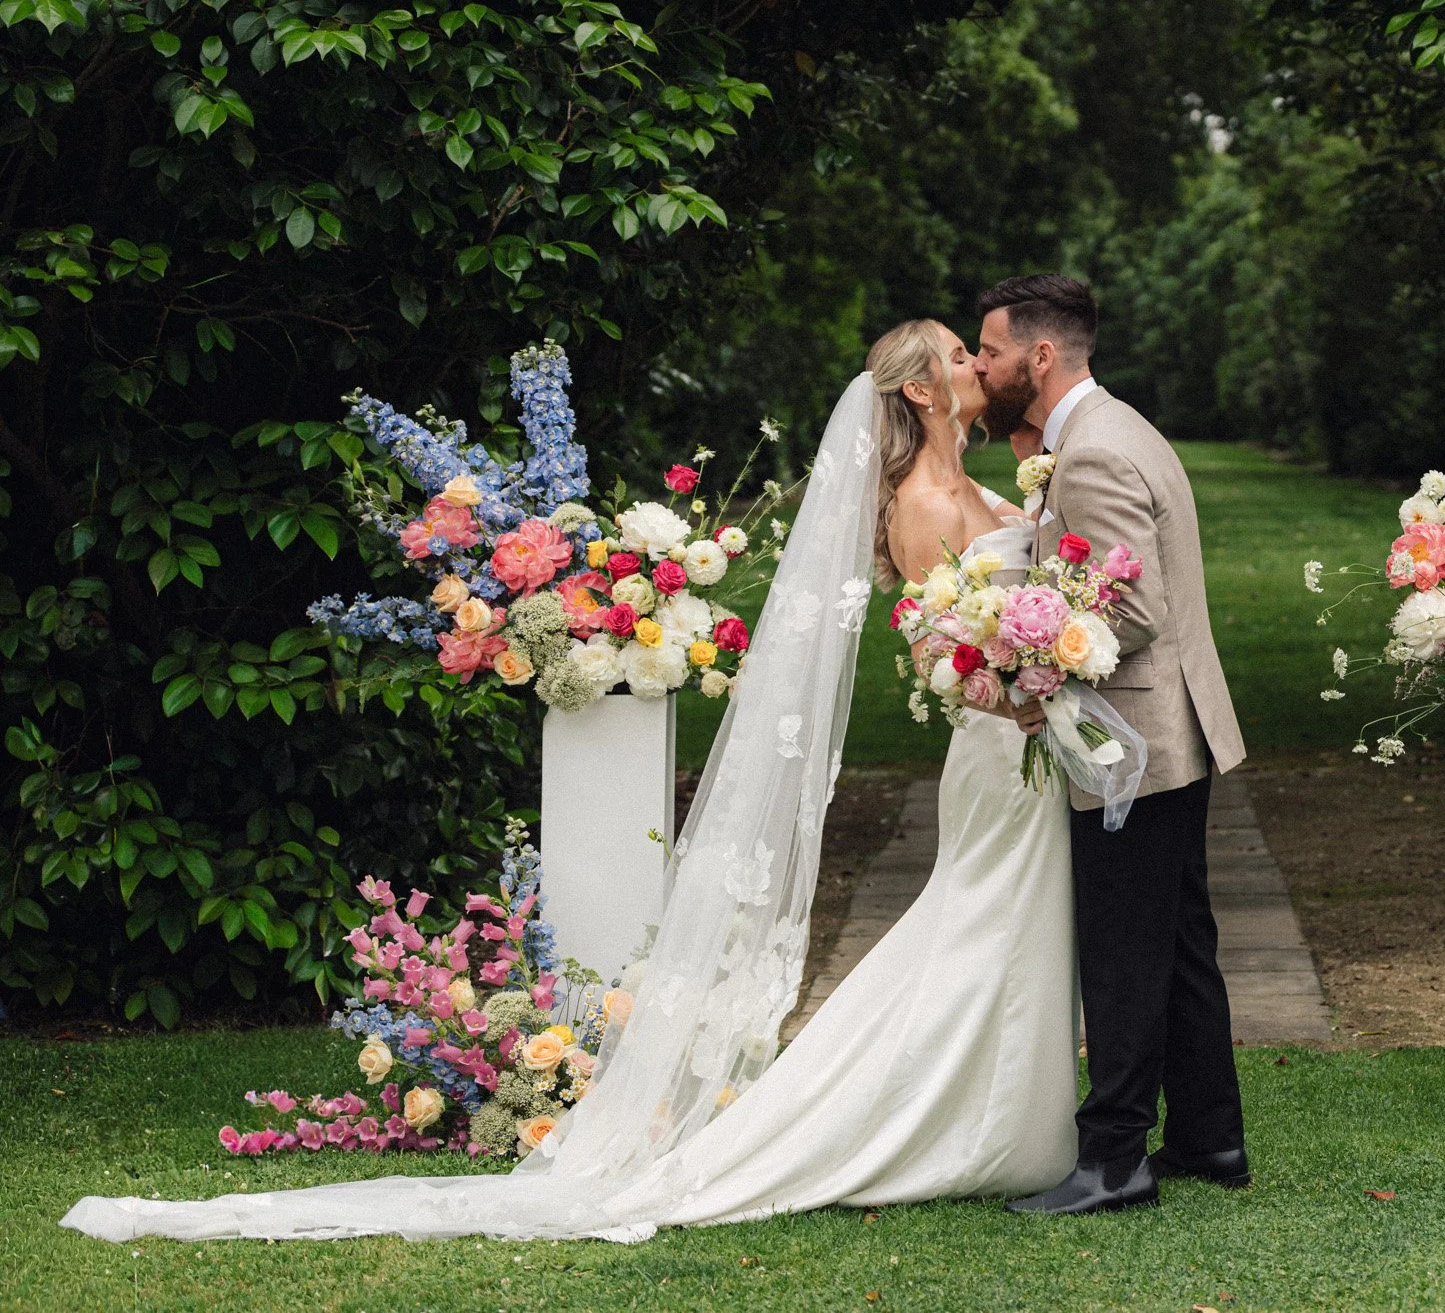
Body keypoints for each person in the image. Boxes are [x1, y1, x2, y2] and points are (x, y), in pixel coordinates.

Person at [61, 319, 1087, 1243]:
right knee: (971, 922)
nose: (975, 366)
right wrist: (1018, 685)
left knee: (1002, 925)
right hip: (999, 747)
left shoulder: (987, 484)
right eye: (959, 354)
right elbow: (934, 652)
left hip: (1027, 748)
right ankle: (923, 1119)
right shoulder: (918, 503)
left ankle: (996, 1116)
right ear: (918, 389)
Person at [974, 274, 1250, 1216]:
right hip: (1171, 730)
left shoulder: (1089, 454)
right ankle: (1211, 1136)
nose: (980, 366)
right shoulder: (1111, 429)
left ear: (1039, 357)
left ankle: (1116, 1159)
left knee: (1125, 948)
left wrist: (1025, 656)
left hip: (1131, 740)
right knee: (1176, 938)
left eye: (991, 351)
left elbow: (1128, 609)